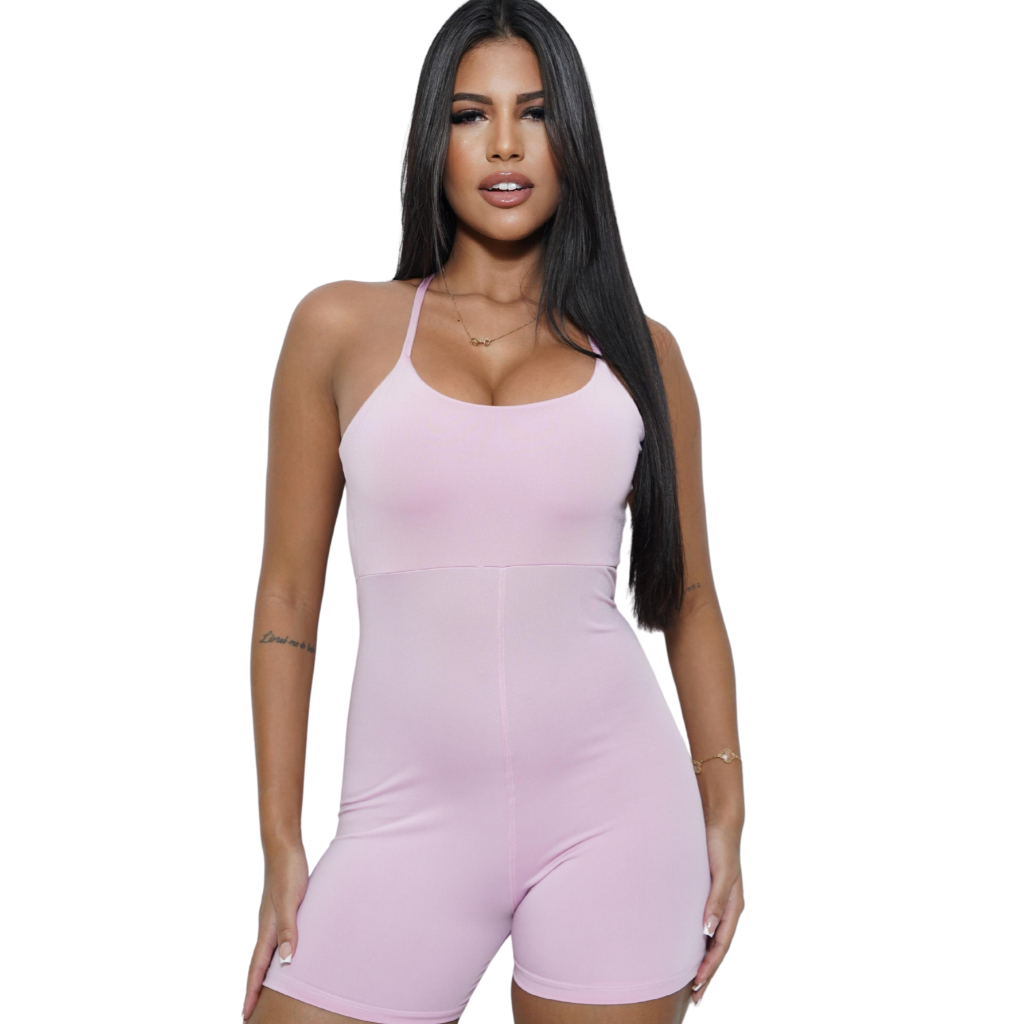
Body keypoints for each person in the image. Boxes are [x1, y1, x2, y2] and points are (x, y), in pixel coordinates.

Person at [243, 2, 744, 1022]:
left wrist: (726, 807)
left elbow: (688, 595)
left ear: (574, 141)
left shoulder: (642, 353)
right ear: (433, 139)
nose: (506, 145)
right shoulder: (339, 328)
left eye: (536, 113)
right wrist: (280, 841)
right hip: (404, 820)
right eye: (472, 114)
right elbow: (288, 600)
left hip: (618, 817)